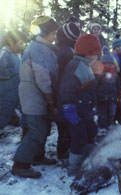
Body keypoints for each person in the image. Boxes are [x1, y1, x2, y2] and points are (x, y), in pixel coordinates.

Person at [11, 15, 59, 178]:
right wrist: (49, 97)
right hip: (35, 95)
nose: (55, 36)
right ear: (45, 33)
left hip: (34, 94)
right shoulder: (39, 48)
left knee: (43, 127)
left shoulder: (38, 47)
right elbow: (42, 75)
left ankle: (37, 156)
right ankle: (20, 164)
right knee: (36, 130)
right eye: (53, 33)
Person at [57, 34, 101, 176]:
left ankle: (86, 160)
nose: (97, 57)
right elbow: (67, 91)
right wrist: (70, 111)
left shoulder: (85, 65)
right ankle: (74, 168)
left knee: (91, 131)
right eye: (95, 54)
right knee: (79, 138)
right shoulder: (76, 67)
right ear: (88, 53)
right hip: (75, 112)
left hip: (84, 111)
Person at [55, 22, 80, 160]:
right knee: (66, 124)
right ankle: (64, 153)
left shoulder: (58, 49)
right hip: (66, 92)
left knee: (63, 123)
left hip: (60, 91)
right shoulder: (68, 52)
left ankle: (63, 152)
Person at [0, 30, 26, 130]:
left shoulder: (16, 55)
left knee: (25, 113)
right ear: (11, 41)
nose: (22, 46)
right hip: (6, 96)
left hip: (17, 94)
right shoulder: (4, 54)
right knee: (3, 118)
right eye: (20, 43)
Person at [95, 46, 121, 129]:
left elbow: (118, 85)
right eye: (106, 64)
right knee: (102, 114)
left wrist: (119, 95)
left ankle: (109, 126)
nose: (108, 65)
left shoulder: (115, 74)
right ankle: (102, 128)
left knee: (111, 113)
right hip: (101, 98)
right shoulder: (99, 74)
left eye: (110, 63)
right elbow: (95, 85)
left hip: (112, 97)